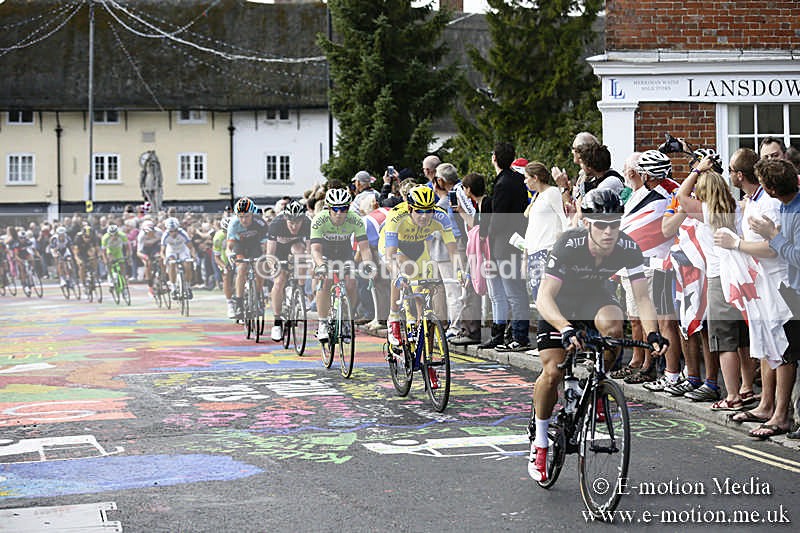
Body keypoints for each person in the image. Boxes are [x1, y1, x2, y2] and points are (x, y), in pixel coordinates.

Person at [529, 189, 668, 482]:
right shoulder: (569, 244)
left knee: (615, 331)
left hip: (593, 298)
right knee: (552, 372)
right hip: (559, 304)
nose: (608, 232)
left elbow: (642, 297)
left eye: (614, 225)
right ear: (588, 224)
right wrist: (565, 328)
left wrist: (654, 332)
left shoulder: (629, 247)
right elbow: (544, 297)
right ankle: (540, 442)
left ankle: (595, 386)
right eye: (601, 225)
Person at [677, 159, 745, 408]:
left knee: (724, 341)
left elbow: (681, 195)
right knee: (744, 340)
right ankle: (746, 388)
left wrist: (696, 171)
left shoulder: (706, 212)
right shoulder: (738, 208)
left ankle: (733, 395)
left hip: (719, 278)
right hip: (742, 277)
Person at [748, 157, 800, 439]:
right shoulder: (786, 206)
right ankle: (782, 414)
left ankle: (782, 417)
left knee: (787, 354)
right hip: (791, 291)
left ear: (768, 189)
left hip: (794, 293)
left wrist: (773, 236)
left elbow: (797, 256)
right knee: (788, 352)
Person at [380, 185, 463, 347]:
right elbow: (390, 256)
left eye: (428, 211)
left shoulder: (441, 217)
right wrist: (398, 274)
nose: (424, 217)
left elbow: (453, 251)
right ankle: (394, 318)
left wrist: (459, 272)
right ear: (410, 208)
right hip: (395, 246)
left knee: (425, 284)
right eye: (419, 211)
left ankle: (421, 332)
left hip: (418, 245)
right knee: (402, 270)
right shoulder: (396, 216)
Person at [310, 187, 372, 342]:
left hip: (344, 253)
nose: (339, 213)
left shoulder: (355, 219)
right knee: (326, 280)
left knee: (351, 283)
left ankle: (345, 319)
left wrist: (368, 264)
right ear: (329, 208)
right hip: (324, 253)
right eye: (335, 209)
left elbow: (364, 247)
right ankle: (323, 322)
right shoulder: (320, 219)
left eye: (344, 208)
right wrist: (321, 265)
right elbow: (315, 250)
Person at [487, 142, 530, 351]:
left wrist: (489, 234)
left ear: (494, 158)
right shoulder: (518, 179)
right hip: (516, 239)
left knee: (513, 291)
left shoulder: (503, 183)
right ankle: (515, 334)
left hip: (505, 243)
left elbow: (498, 218)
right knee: (515, 290)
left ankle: (519, 336)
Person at [522, 162, 568, 307]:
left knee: (548, 298)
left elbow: (564, 219)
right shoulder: (538, 196)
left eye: (526, 177)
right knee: (538, 298)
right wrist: (525, 254)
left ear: (535, 178)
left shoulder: (552, 192)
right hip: (534, 252)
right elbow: (532, 228)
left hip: (548, 250)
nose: (524, 181)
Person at [265, 200, 311, 341]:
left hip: (295, 246)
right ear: (285, 218)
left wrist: (309, 263)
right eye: (291, 222)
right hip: (279, 250)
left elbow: (310, 250)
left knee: (300, 252)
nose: (294, 226)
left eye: (297, 222)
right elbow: (270, 254)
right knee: (279, 281)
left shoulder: (308, 224)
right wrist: (274, 268)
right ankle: (277, 322)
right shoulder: (276, 224)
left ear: (302, 220)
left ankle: (301, 291)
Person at [227, 197, 269, 320]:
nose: (243, 219)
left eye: (246, 216)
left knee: (259, 267)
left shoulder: (260, 222)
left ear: (252, 214)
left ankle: (258, 295)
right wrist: (230, 253)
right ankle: (239, 303)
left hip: (255, 245)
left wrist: (265, 255)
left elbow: (265, 244)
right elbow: (229, 245)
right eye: (240, 216)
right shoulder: (233, 224)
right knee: (242, 267)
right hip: (240, 246)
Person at [161, 217, 195, 300]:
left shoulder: (183, 233)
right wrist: (165, 259)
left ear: (177, 229)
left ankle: (188, 286)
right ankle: (173, 288)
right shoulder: (165, 236)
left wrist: (194, 256)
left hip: (182, 250)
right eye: (171, 231)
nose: (173, 233)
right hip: (171, 250)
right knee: (172, 264)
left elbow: (191, 247)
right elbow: (162, 251)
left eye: (175, 230)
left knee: (187, 265)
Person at [213, 217, 236, 319]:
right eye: (225, 231)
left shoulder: (238, 232)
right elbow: (217, 257)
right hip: (224, 257)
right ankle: (230, 304)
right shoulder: (218, 237)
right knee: (226, 275)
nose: (228, 234)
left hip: (237, 253)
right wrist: (224, 266)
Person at [137, 220, 163, 292]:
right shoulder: (141, 236)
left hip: (155, 247)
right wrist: (145, 258)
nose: (149, 235)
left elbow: (164, 245)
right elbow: (138, 252)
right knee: (147, 264)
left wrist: (162, 254)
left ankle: (161, 278)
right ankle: (150, 285)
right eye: (147, 233)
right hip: (145, 250)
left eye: (151, 232)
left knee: (161, 259)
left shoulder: (159, 232)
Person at [101, 224, 129, 289]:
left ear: (117, 233)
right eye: (111, 235)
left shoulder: (123, 235)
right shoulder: (105, 238)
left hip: (118, 250)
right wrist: (105, 260)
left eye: (115, 234)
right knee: (110, 263)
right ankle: (111, 278)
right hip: (110, 251)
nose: (113, 236)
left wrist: (128, 257)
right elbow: (103, 252)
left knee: (122, 265)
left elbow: (127, 248)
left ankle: (123, 281)